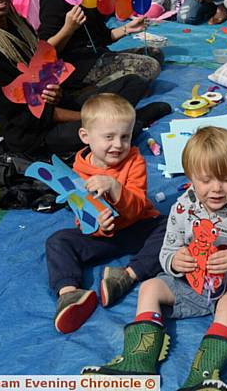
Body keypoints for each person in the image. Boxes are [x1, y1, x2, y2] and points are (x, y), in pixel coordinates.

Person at [82, 126, 227, 390]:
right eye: (206, 180)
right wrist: (175, 262)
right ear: (190, 177)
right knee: (151, 286)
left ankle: (203, 376)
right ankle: (137, 362)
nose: (216, 188)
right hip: (193, 285)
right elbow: (166, 253)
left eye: (226, 179)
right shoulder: (183, 207)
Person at [0, 0, 165, 158]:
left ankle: (119, 120)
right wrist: (92, 117)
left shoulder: (15, 23)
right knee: (107, 134)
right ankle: (129, 121)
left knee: (133, 82)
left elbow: (45, 63)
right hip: (37, 132)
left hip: (59, 101)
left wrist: (57, 91)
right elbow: (26, 116)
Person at [46, 94, 168, 334]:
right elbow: (81, 213)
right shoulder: (78, 169)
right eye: (109, 137)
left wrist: (115, 187)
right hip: (102, 237)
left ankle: (126, 276)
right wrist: (99, 226)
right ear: (86, 137)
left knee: (173, 226)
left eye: (125, 136)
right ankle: (70, 294)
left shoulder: (134, 161)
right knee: (57, 241)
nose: (118, 145)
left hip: (136, 227)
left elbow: (137, 208)